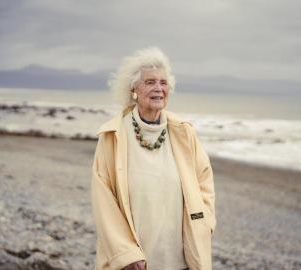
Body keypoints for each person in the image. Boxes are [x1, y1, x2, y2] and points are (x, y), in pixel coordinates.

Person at [91, 47, 216, 270]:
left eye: (163, 83)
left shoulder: (184, 132)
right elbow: (103, 201)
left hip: (182, 260)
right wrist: (125, 253)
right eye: (150, 82)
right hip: (136, 263)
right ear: (134, 90)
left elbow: (204, 182)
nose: (159, 88)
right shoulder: (113, 136)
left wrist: (205, 222)